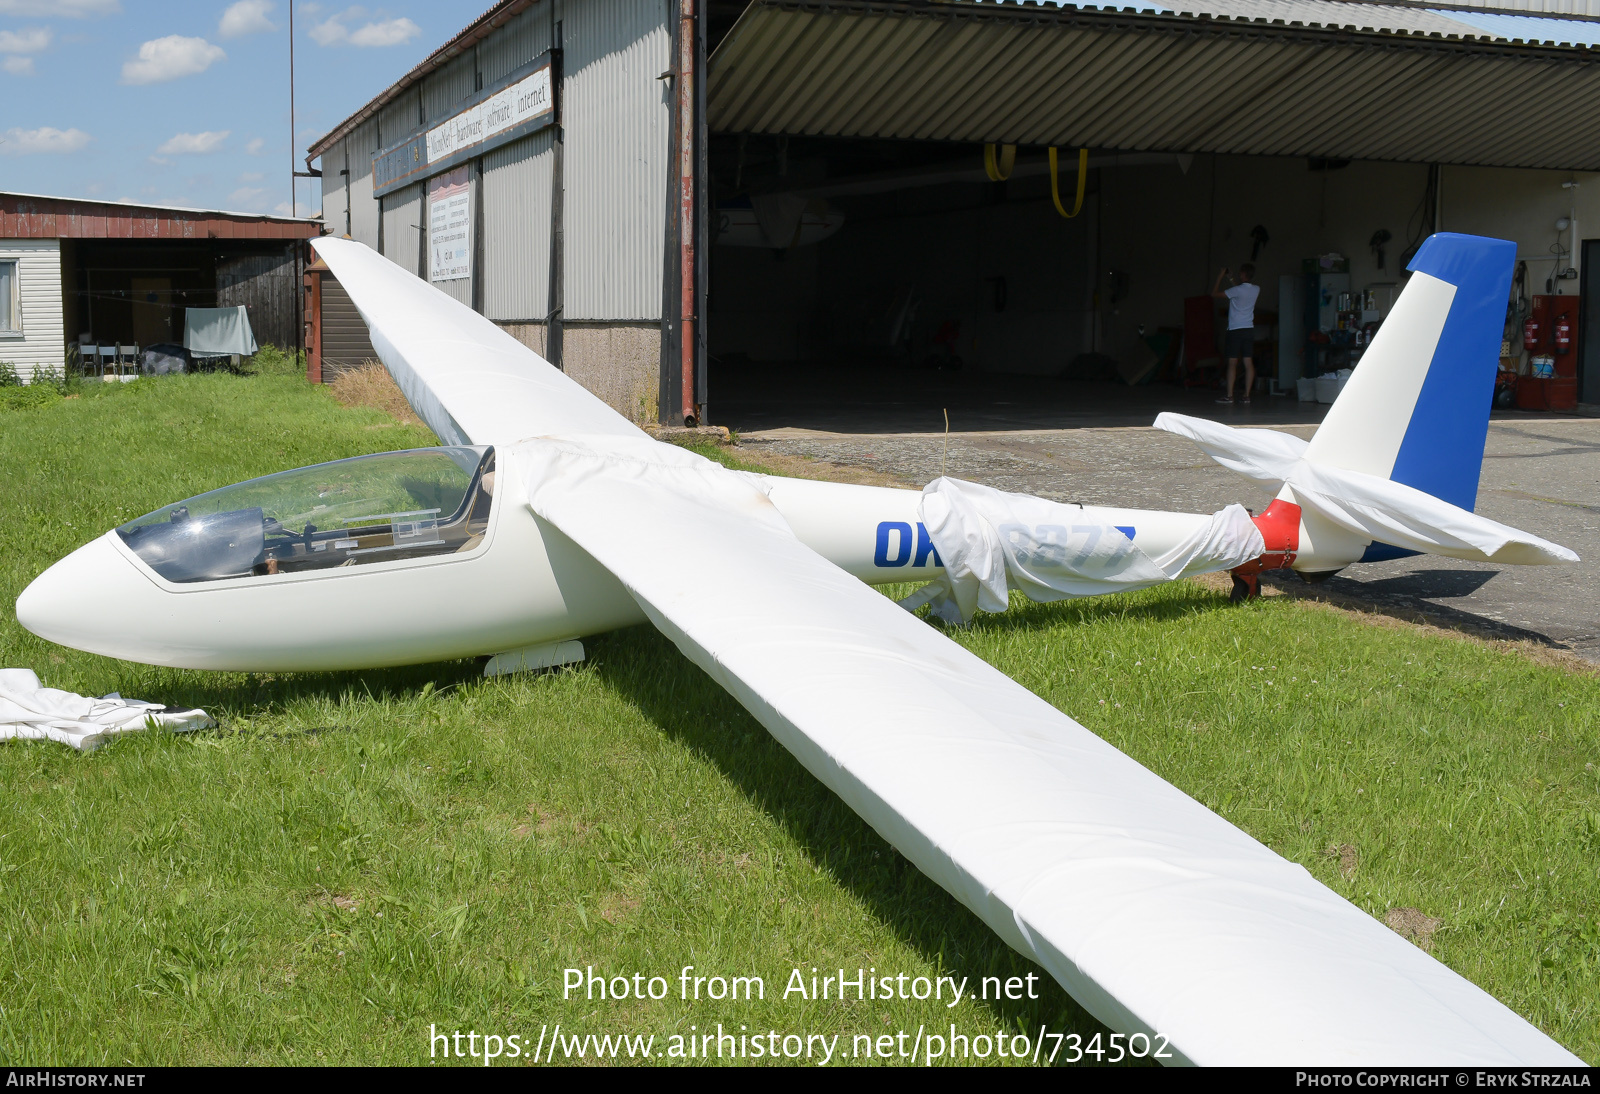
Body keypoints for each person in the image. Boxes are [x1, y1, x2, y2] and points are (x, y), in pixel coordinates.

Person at [1212, 263, 1261, 404]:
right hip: (1248, 329)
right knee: (1248, 362)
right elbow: (1239, 291)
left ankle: (1229, 396)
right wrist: (1231, 279)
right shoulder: (1256, 289)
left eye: (1240, 273)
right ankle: (1246, 396)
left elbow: (1214, 294)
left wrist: (1220, 277)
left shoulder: (1236, 290)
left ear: (1244, 274)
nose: (1239, 275)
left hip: (1235, 330)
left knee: (1232, 362)